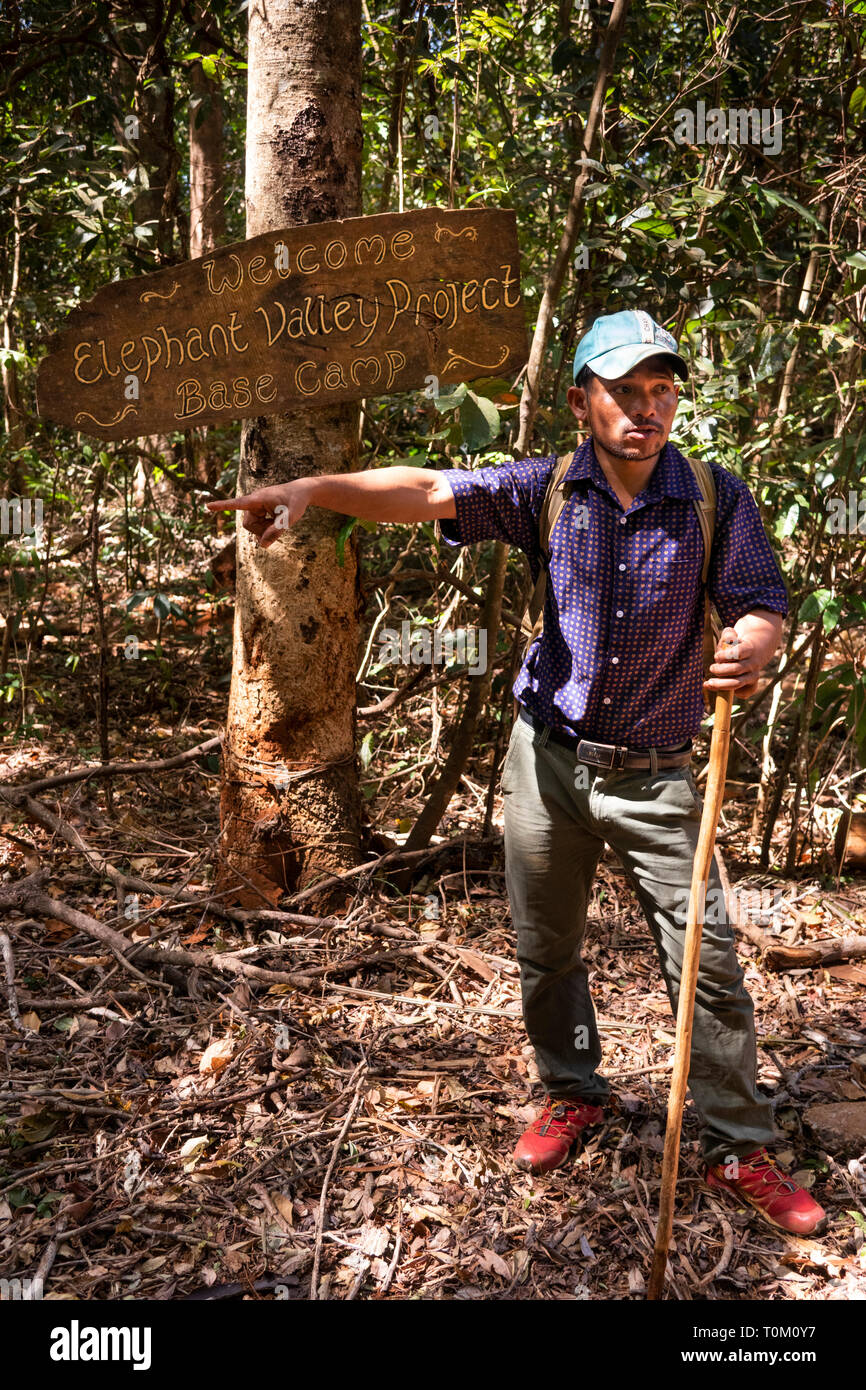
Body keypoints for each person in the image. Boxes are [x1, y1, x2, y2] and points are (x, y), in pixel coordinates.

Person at [207, 309, 826, 1236]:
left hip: (657, 771)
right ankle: (574, 1088)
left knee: (706, 962)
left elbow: (758, 601)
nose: (646, 409)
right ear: (583, 403)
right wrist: (315, 488)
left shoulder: (712, 497)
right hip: (549, 759)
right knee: (547, 945)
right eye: (624, 391)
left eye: (661, 391)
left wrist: (753, 645)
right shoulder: (547, 489)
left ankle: (737, 1142)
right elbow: (424, 490)